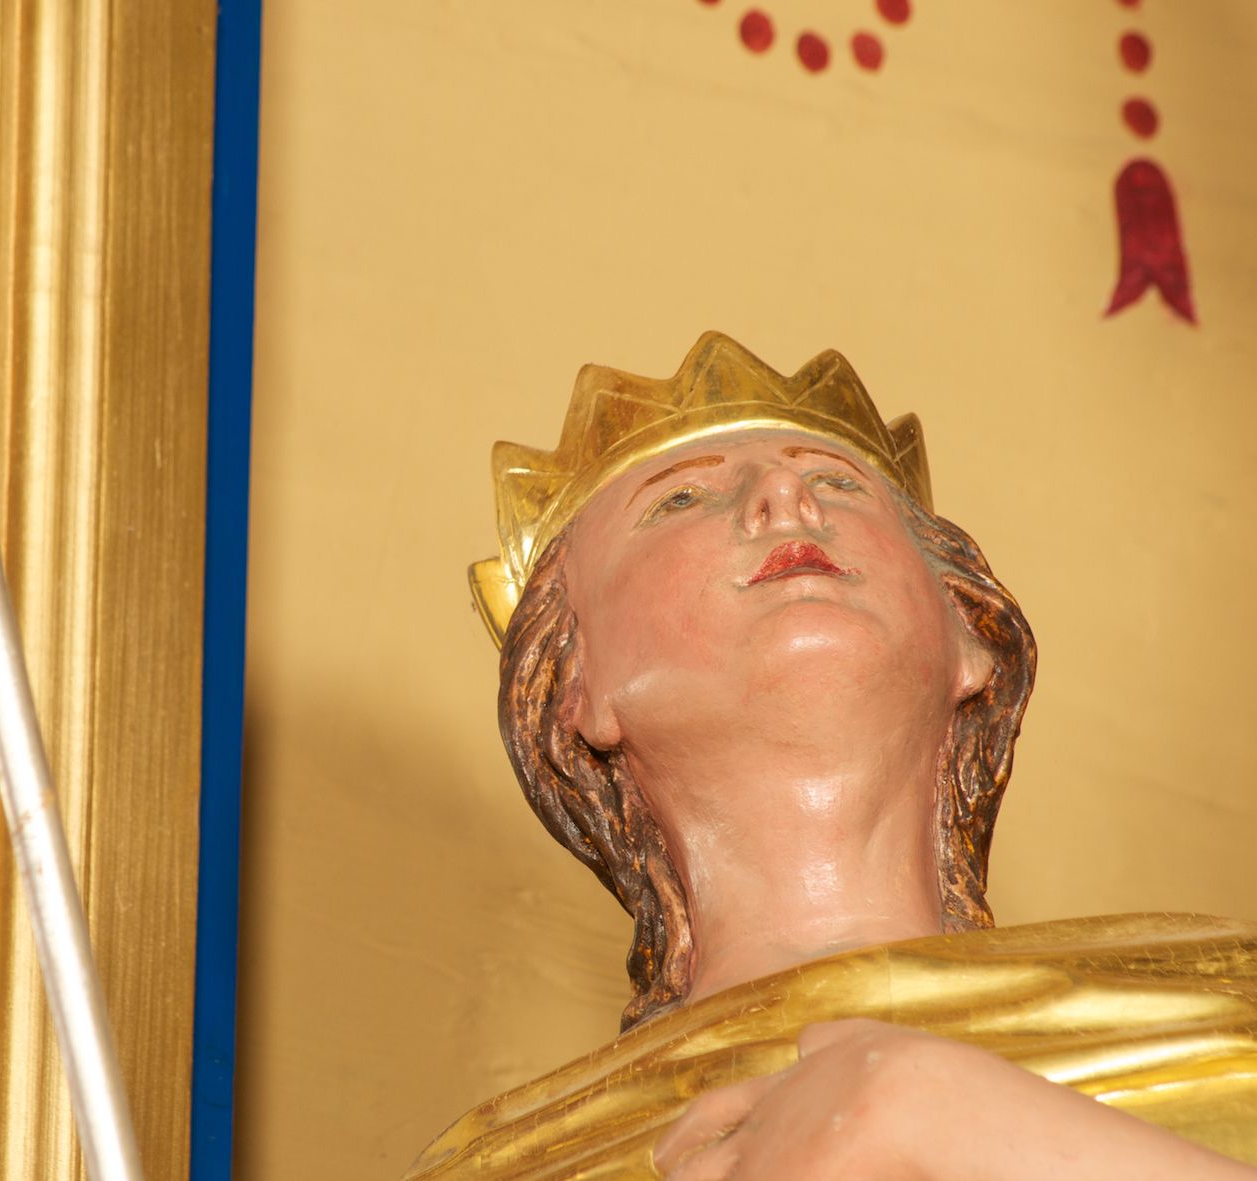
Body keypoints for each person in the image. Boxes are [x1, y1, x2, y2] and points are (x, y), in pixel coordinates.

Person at [407, 332, 1257, 1179]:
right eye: (680, 499)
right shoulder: (509, 1164)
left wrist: (945, 1112)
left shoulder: (1223, 993)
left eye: (838, 481)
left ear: (969, 636)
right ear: (576, 688)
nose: (784, 494)